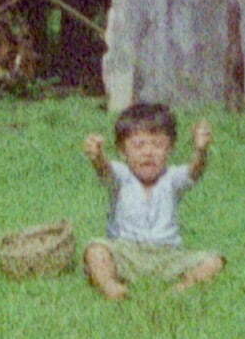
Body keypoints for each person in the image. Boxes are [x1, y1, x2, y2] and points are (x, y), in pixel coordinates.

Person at [81, 102, 224, 299]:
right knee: (95, 250)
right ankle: (110, 286)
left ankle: (182, 288)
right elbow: (105, 170)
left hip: (167, 254)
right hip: (126, 251)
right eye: (139, 146)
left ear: (170, 149)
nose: (148, 152)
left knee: (214, 261)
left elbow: (194, 172)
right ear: (123, 151)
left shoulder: (172, 178)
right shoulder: (122, 177)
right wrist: (97, 156)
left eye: (157, 145)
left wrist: (201, 151)